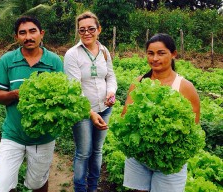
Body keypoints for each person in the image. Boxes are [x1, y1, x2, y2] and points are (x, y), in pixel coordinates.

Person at [0, 16, 64, 192]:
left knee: (37, 183)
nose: (28, 37)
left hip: (43, 138)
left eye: (32, 31)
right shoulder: (7, 60)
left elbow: (62, 96)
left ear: (41, 34)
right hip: (13, 135)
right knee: (1, 186)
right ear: (17, 37)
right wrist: (14, 94)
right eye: (22, 33)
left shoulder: (54, 61)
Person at [121, 33, 200, 192]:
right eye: (150, 53)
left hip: (169, 159)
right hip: (139, 156)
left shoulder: (185, 87)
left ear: (173, 54)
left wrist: (167, 139)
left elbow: (193, 127)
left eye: (161, 53)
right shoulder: (139, 83)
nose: (154, 58)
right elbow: (125, 117)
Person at [64, 11, 118, 192]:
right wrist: (90, 112)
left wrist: (111, 93)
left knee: (97, 151)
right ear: (78, 32)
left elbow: (110, 76)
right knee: (84, 152)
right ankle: (80, 188)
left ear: (99, 30)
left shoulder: (104, 51)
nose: (87, 33)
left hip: (105, 109)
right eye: (82, 30)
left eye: (91, 29)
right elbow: (74, 88)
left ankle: (93, 187)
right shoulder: (73, 54)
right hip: (83, 112)